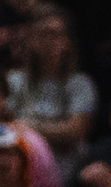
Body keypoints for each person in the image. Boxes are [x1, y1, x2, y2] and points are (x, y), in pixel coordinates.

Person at [7, 10, 98, 158]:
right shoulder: (15, 80)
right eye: (43, 34)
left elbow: (76, 130)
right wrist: (55, 131)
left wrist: (31, 126)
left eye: (56, 34)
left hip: (67, 164)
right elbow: (6, 125)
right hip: (23, 160)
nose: (50, 41)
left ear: (67, 41)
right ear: (31, 40)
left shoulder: (81, 83)